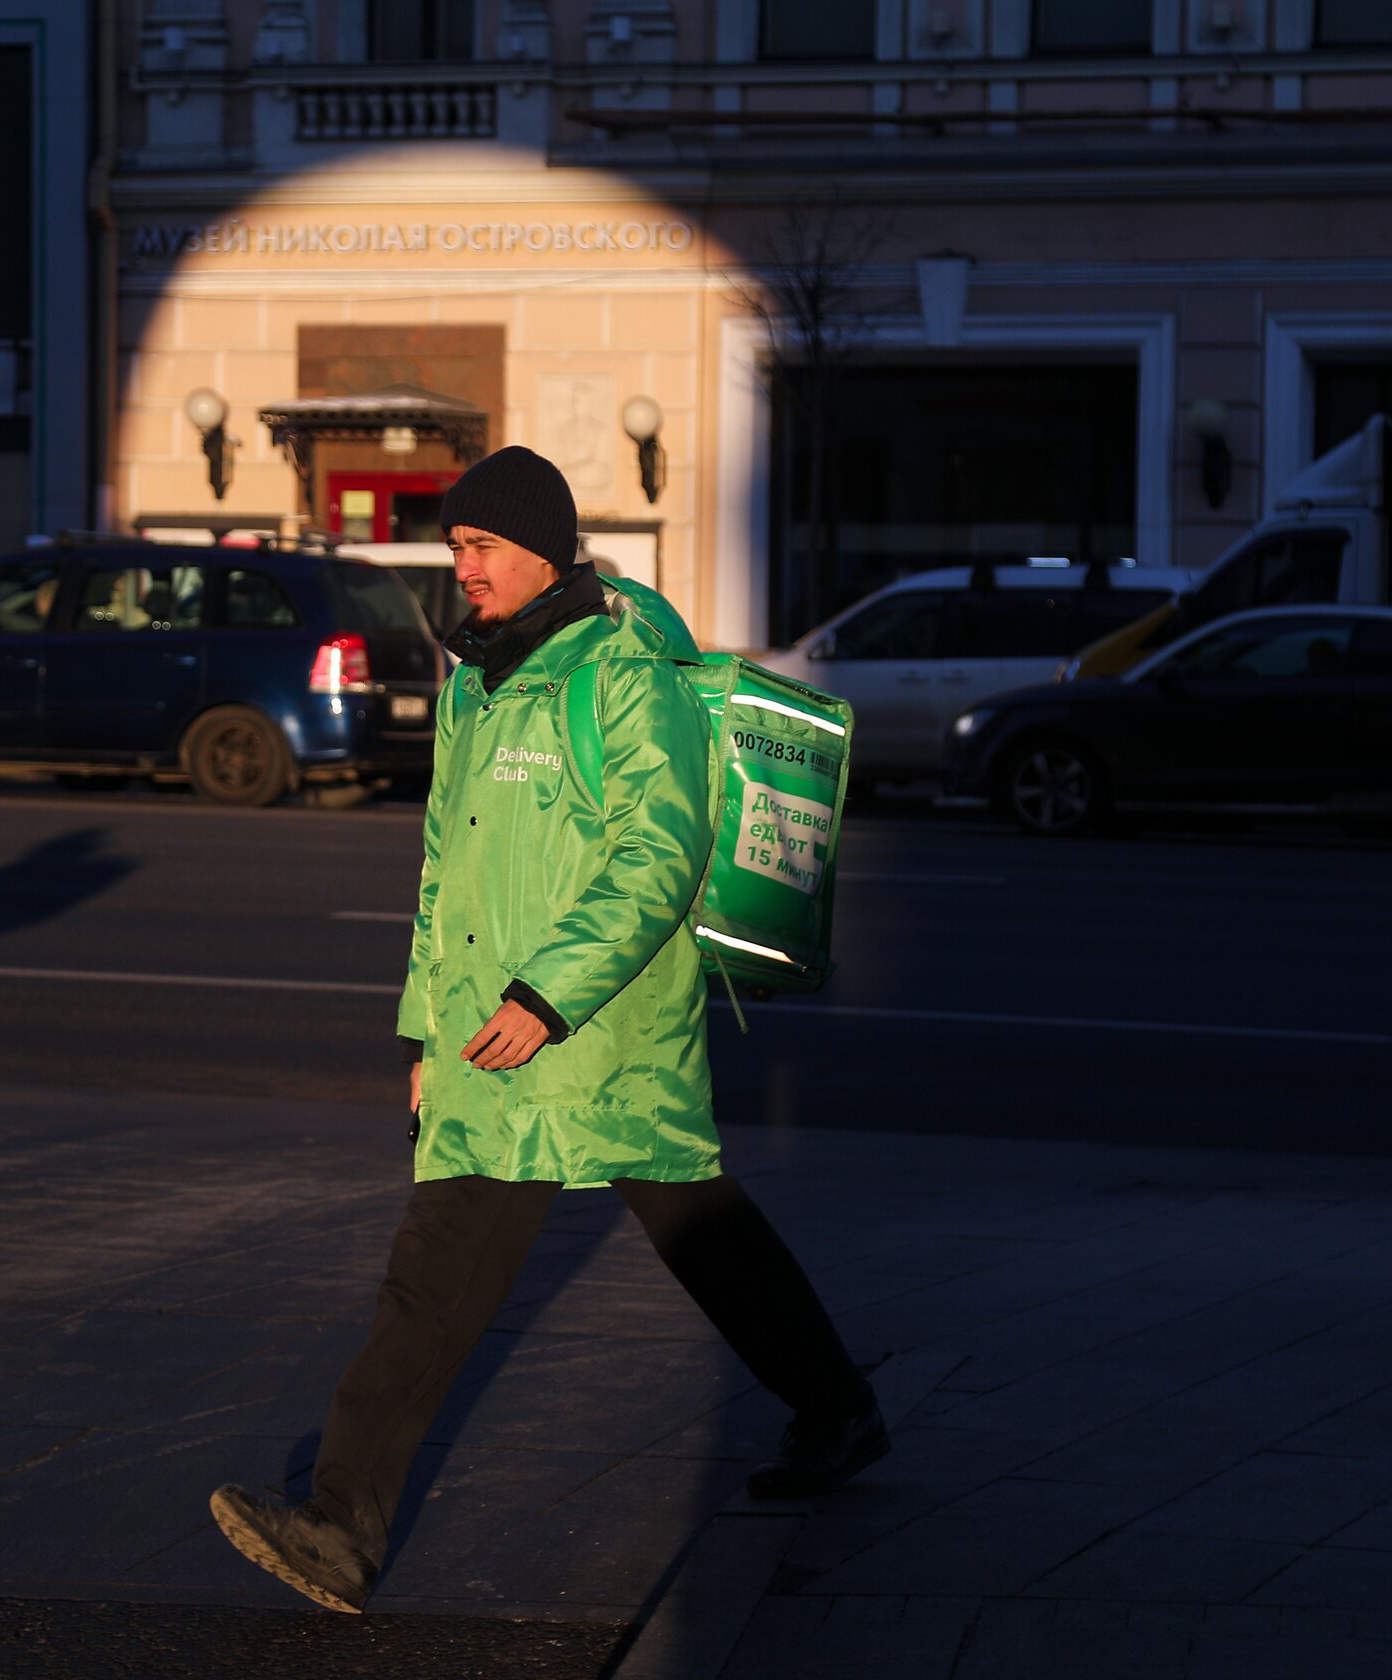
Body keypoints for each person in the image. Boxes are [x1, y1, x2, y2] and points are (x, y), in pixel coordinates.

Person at [209, 446, 885, 1613]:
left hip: (592, 1030)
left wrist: (545, 995)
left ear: (540, 550)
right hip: (491, 1041)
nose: (458, 568)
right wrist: (427, 1031)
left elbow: (658, 850)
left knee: (678, 1233)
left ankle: (341, 1523)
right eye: (455, 547)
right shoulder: (478, 679)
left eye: (477, 548)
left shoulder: (626, 674)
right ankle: (837, 1407)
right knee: (562, 1251)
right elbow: (445, 872)